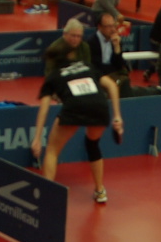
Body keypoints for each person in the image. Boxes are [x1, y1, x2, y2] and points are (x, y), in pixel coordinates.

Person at [32, 44, 120, 204]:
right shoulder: (87, 66)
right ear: (70, 55)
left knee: (52, 150)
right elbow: (112, 86)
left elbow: (44, 109)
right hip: (99, 107)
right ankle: (100, 190)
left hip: (74, 108)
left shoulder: (53, 76)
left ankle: (47, 194)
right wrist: (117, 116)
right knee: (92, 144)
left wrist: (37, 138)